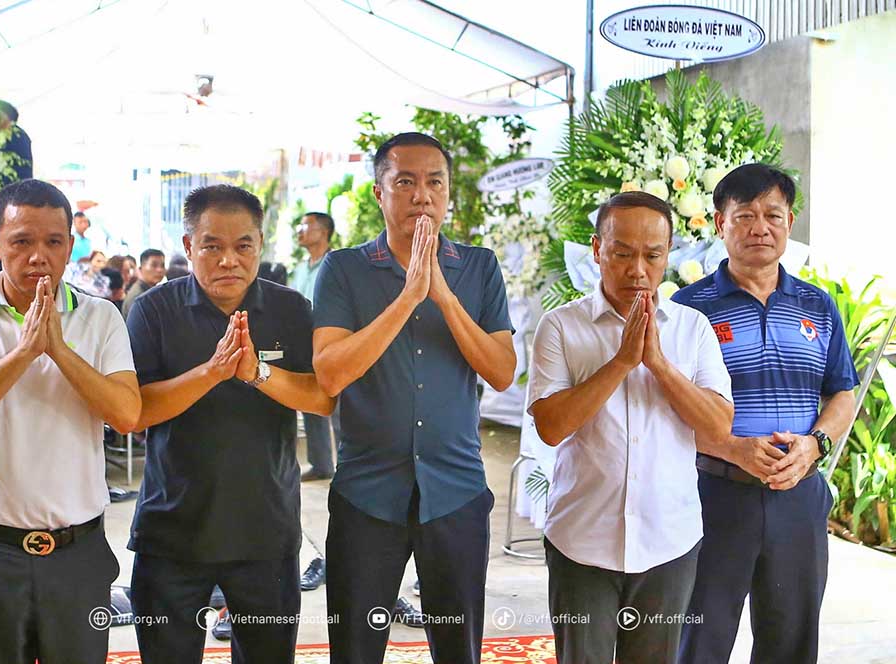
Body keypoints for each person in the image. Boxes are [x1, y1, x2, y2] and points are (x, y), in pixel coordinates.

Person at [0, 179, 141, 664]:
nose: (38, 256)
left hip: (78, 553)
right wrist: (22, 354)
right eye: (22, 242)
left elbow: (126, 414)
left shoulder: (100, 318)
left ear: (70, 247)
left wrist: (58, 350)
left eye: (53, 242)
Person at [313, 132, 516, 664]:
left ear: (448, 194)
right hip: (366, 495)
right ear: (379, 194)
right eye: (405, 182)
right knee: (355, 650)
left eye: (434, 183)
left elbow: (500, 372)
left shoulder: (478, 267)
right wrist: (407, 298)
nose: (421, 195)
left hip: (456, 492)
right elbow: (330, 374)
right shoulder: (343, 270)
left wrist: (443, 296)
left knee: (459, 650)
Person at [125, 184, 335, 664]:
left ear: (260, 245)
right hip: (172, 531)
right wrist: (212, 373)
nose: (228, 261)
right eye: (212, 246)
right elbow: (134, 412)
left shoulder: (290, 310)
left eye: (243, 246)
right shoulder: (154, 311)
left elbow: (322, 399)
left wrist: (257, 372)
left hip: (265, 533)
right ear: (188, 247)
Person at [527, 192, 734, 664]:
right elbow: (551, 428)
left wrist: (658, 364)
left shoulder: (692, 328)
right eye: (622, 253)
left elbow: (720, 426)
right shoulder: (561, 327)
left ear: (668, 256)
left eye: (652, 255)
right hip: (582, 542)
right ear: (598, 250)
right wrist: (622, 361)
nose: (637, 270)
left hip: (668, 541)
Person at [674, 164, 858, 664]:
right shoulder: (688, 310)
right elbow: (665, 409)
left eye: (772, 215)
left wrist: (815, 444)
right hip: (711, 496)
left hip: (798, 496)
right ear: (719, 223)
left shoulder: (818, 306)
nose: (760, 227)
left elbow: (843, 392)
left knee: (791, 640)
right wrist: (732, 448)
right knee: (696, 640)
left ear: (789, 221)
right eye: (746, 215)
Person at [291, 212, 338, 481]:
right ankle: (321, 464)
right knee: (311, 401)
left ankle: (349, 465)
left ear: (323, 232)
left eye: (305, 226)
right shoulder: (300, 267)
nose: (300, 231)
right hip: (305, 342)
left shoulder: (337, 264)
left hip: (333, 341)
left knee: (342, 406)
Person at [122, 249, 166, 319]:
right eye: (154, 265)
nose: (159, 270)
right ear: (141, 268)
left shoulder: (152, 291)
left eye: (162, 266)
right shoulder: (138, 296)